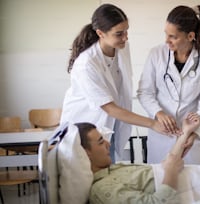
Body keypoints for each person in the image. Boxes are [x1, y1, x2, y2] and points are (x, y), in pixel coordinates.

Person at [60, 4, 179, 162]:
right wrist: (152, 123)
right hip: (86, 131)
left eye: (126, 31)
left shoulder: (122, 48)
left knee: (108, 174)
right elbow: (109, 107)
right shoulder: (86, 64)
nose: (125, 37)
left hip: (111, 127)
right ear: (100, 33)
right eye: (119, 34)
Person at [137, 5, 200, 164]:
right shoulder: (156, 54)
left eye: (173, 36)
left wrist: (194, 134)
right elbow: (144, 92)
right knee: (161, 183)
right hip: (161, 136)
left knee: (194, 184)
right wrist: (159, 113)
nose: (166, 40)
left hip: (191, 138)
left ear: (190, 36)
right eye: (166, 34)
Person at [75, 112, 200, 204]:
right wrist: (171, 171)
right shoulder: (102, 190)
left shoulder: (113, 170)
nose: (109, 144)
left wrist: (186, 132)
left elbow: (170, 163)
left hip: (197, 176)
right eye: (101, 142)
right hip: (196, 187)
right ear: (85, 153)